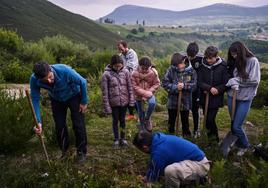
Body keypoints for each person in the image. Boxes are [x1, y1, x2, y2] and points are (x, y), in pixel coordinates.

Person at [30, 61, 88, 163]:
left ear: (51, 70)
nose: (49, 81)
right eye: (45, 80)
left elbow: (83, 82)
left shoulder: (64, 70)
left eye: (50, 77)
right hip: (56, 99)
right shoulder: (34, 79)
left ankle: (81, 152)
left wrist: (83, 101)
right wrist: (38, 121)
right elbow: (35, 99)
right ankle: (64, 152)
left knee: (78, 124)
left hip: (74, 96)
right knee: (60, 125)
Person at [133, 131, 210, 187]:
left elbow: (155, 172)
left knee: (170, 171)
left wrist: (148, 182)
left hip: (200, 165)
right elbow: (153, 165)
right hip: (193, 161)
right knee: (166, 174)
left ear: (145, 147)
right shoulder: (158, 140)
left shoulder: (159, 152)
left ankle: (199, 178)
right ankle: (193, 181)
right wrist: (147, 176)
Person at [226, 41, 261, 156]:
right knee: (233, 123)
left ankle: (246, 146)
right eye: (232, 55)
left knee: (237, 125)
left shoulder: (253, 61)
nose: (234, 57)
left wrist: (238, 81)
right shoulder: (235, 61)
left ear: (241, 52)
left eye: (235, 54)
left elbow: (255, 80)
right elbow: (231, 75)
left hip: (245, 98)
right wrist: (232, 81)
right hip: (233, 96)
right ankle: (238, 144)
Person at [101, 55, 135, 148]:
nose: (118, 68)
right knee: (115, 120)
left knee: (123, 120)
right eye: (116, 66)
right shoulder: (106, 75)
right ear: (112, 65)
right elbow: (105, 92)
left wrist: (131, 100)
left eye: (120, 66)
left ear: (122, 64)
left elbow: (130, 87)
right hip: (114, 103)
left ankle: (123, 139)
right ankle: (116, 139)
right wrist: (107, 106)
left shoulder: (126, 72)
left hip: (124, 102)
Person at [198, 46, 228, 143]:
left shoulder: (223, 66)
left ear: (216, 56)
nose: (208, 60)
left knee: (210, 119)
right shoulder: (202, 66)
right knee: (207, 120)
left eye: (210, 58)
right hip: (204, 97)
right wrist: (209, 88)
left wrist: (218, 89)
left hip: (216, 98)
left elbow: (226, 83)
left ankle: (215, 140)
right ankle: (211, 140)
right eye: (207, 58)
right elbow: (199, 81)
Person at [162, 53, 197, 136]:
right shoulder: (171, 70)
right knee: (171, 121)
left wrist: (185, 86)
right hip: (172, 101)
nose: (178, 67)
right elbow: (164, 83)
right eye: (176, 66)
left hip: (185, 101)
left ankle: (186, 136)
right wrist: (175, 87)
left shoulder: (191, 71)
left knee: (185, 121)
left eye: (179, 65)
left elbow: (194, 85)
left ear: (184, 60)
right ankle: (170, 136)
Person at [131, 57, 160, 131]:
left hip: (150, 93)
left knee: (152, 103)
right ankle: (142, 126)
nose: (144, 70)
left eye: (146, 69)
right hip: (138, 94)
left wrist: (149, 92)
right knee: (140, 111)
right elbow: (134, 86)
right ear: (139, 65)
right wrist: (144, 94)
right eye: (142, 68)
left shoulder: (153, 73)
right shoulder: (134, 73)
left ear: (149, 67)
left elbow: (156, 84)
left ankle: (147, 119)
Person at [117, 40, 138, 121]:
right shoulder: (121, 55)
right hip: (125, 78)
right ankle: (131, 115)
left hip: (133, 77)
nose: (120, 50)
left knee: (134, 97)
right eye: (119, 49)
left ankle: (141, 114)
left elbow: (130, 66)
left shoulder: (132, 54)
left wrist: (121, 70)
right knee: (128, 97)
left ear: (125, 46)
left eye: (121, 48)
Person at [186, 42, 203, 137]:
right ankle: (186, 130)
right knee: (185, 110)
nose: (190, 58)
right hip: (187, 88)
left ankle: (196, 130)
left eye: (192, 56)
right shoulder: (185, 59)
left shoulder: (201, 60)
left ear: (196, 53)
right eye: (189, 55)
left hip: (197, 90)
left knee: (195, 110)